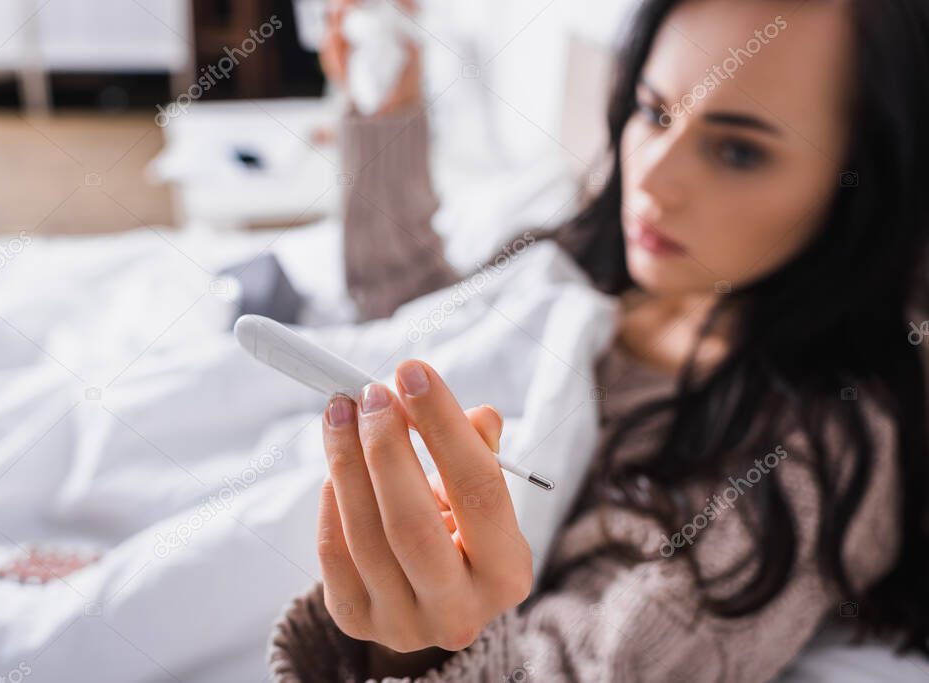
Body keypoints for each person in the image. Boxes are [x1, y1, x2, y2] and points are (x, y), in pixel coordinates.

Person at [269, 0, 929, 680]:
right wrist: (392, 101)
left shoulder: (806, 467)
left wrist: (413, 645)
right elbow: (408, 306)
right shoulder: (593, 261)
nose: (650, 177)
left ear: (863, 183)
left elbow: (582, 667)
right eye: (653, 111)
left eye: (736, 149)